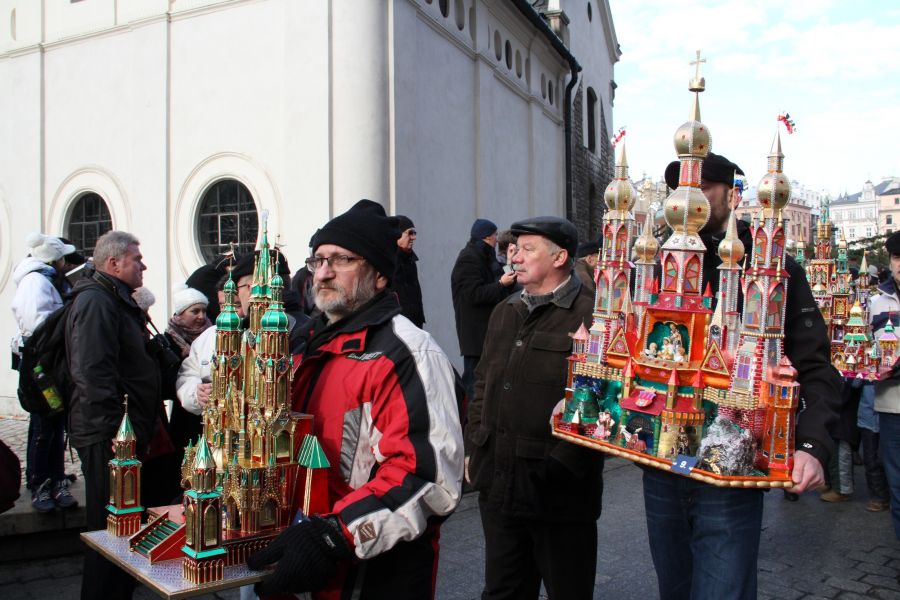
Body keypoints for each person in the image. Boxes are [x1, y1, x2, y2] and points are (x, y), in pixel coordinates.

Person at [641, 152, 841, 599]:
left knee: (723, 587)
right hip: (662, 460)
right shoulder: (654, 261)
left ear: (732, 195)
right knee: (673, 586)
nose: (687, 198)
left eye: (702, 188)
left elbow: (813, 365)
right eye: (677, 190)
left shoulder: (774, 265)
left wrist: (812, 445)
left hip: (731, 460)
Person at [246, 199, 464, 599]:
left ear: (379, 275)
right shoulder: (301, 343)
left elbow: (429, 479)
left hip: (370, 576)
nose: (324, 273)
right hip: (296, 563)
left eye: (342, 260)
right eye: (318, 260)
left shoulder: (407, 352)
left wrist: (335, 535)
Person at [465, 216, 603, 599]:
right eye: (513, 248)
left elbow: (600, 400)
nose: (515, 257)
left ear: (559, 257)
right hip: (499, 483)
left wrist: (561, 466)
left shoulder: (593, 316)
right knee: (503, 591)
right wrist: (476, 444)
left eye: (527, 249)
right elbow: (482, 381)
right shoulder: (505, 311)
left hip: (559, 495)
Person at [65, 230, 161, 600]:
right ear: (113, 263)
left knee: (123, 529)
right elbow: (91, 373)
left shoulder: (114, 299)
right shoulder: (96, 302)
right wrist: (114, 437)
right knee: (110, 531)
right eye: (137, 259)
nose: (144, 265)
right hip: (108, 438)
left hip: (121, 435)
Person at [10, 233, 80, 512]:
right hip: (42, 365)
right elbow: (39, 324)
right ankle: (42, 482)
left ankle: (53, 478)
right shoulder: (35, 282)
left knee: (53, 421)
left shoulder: (45, 279)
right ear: (55, 259)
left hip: (50, 360)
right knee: (45, 424)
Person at [451, 219, 517, 402]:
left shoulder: (484, 256)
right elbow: (474, 294)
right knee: (474, 384)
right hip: (475, 334)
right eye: (495, 235)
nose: (497, 239)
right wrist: (500, 284)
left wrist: (510, 263)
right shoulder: (468, 259)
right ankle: (469, 425)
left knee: (485, 383)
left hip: (485, 332)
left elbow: (500, 279)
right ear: (487, 236)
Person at [159, 286, 211, 497]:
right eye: (194, 311)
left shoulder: (211, 334)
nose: (201, 317)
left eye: (204, 311)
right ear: (180, 314)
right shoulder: (169, 339)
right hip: (184, 414)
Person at [869, 230, 900, 537]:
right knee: (898, 488)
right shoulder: (877, 303)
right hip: (891, 405)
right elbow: (866, 348)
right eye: (896, 257)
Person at [390, 215, 425, 328]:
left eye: (414, 233)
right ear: (397, 235)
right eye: (410, 233)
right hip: (399, 325)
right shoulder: (389, 260)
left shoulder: (410, 260)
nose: (414, 237)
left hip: (415, 323)